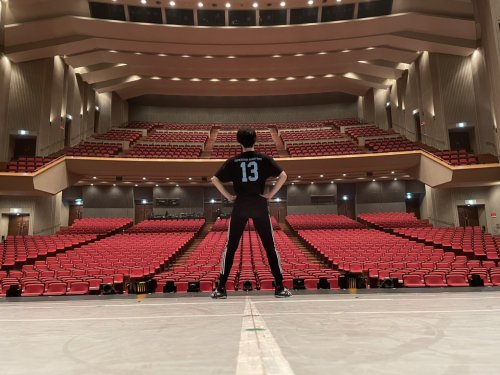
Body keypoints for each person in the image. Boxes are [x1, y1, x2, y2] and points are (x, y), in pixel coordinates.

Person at [210, 127, 292, 299]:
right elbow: (283, 175)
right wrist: (270, 195)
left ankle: (221, 289)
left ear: (239, 142)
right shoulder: (264, 159)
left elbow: (214, 179)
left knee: (230, 248)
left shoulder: (233, 161)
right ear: (255, 140)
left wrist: (229, 197)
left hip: (240, 205)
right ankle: (280, 287)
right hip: (259, 205)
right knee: (270, 248)